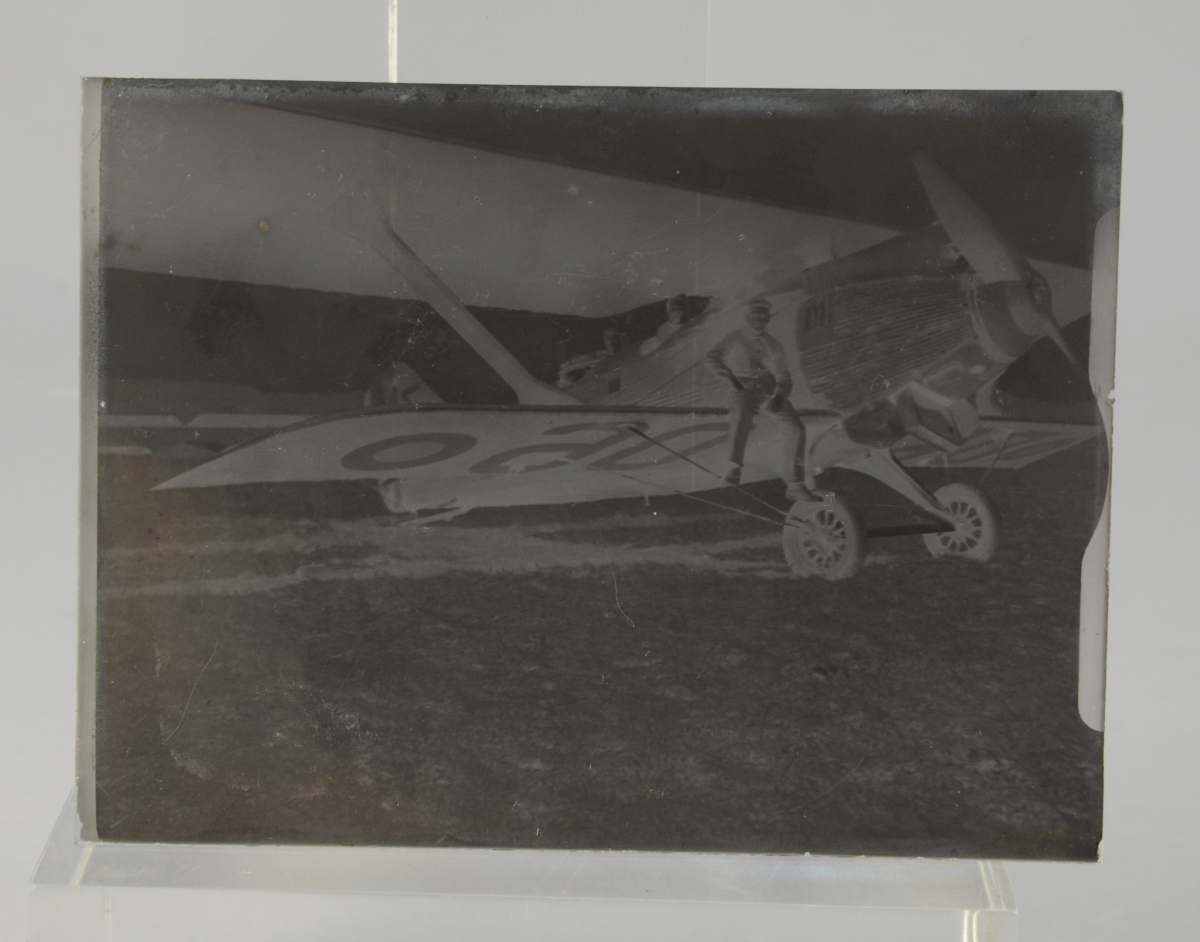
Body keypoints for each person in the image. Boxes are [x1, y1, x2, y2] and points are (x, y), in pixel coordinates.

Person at [705, 298, 814, 501]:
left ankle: (795, 484)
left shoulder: (774, 345)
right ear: (746, 318)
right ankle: (734, 468)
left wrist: (779, 397)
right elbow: (711, 357)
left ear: (768, 319)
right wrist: (732, 380)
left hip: (768, 388)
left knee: (796, 428)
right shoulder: (735, 337)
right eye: (754, 316)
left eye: (763, 317)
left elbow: (784, 376)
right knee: (741, 413)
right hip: (742, 387)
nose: (758, 320)